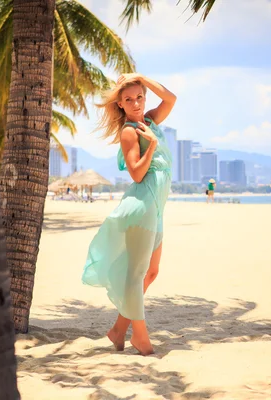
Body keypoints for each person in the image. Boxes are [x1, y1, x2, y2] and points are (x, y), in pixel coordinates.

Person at [81, 73, 176, 356]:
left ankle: (119, 330)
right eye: (128, 100)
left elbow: (171, 99)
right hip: (142, 206)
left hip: (156, 208)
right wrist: (153, 147)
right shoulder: (130, 131)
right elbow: (136, 173)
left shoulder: (150, 121)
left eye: (139, 97)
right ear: (120, 105)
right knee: (137, 275)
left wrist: (140, 78)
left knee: (151, 273)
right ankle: (141, 338)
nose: (135, 103)